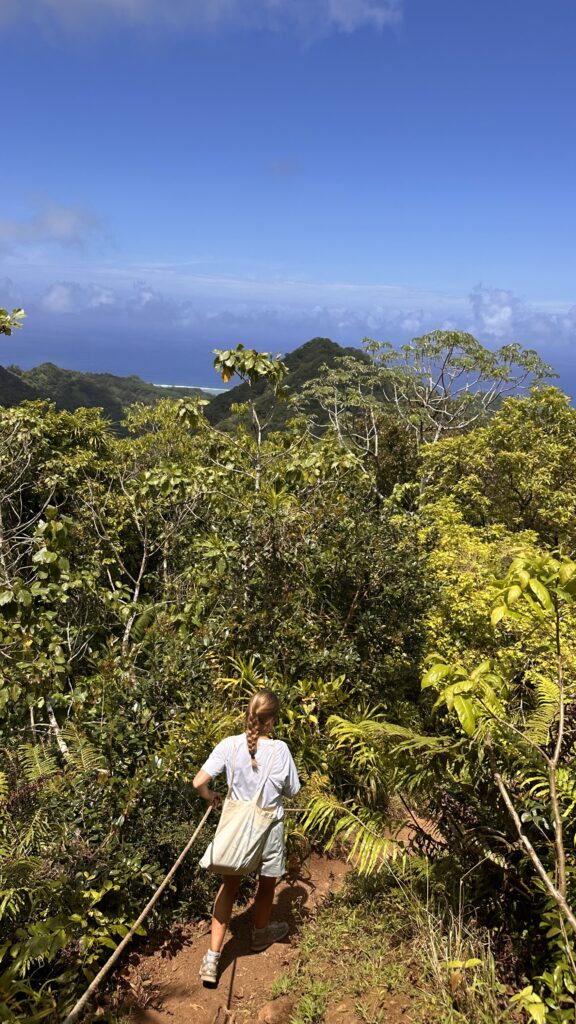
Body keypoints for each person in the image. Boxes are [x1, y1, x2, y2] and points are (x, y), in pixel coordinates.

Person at [193, 688, 300, 985]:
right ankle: (260, 933)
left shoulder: (229, 745)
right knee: (267, 883)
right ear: (272, 720)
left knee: (229, 886)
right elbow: (293, 790)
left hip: (238, 827)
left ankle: (212, 959)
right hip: (270, 826)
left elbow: (199, 781)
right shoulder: (280, 750)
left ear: (249, 715)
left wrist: (211, 795)